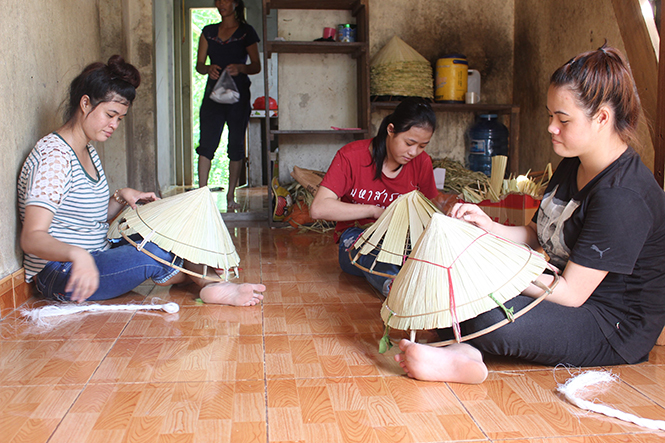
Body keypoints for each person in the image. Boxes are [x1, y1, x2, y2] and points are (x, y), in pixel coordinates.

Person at [394, 45, 665, 384]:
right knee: (454, 289)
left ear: (602, 119)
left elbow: (571, 293)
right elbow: (538, 233)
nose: (552, 127)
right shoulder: (573, 163)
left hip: (609, 324)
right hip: (565, 295)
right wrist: (486, 226)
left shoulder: (623, 196)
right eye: (551, 116)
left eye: (563, 119)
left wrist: (491, 268)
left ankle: (466, 351)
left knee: (483, 314)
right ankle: (465, 353)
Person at [18, 55, 265, 306]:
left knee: (168, 231)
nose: (114, 124)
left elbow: (89, 219)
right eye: (110, 114)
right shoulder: (54, 158)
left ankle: (211, 284)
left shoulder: (87, 150)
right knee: (154, 253)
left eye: (120, 119)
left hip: (96, 255)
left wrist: (121, 196)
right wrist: (77, 255)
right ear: (85, 103)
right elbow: (31, 237)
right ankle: (203, 278)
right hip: (61, 274)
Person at [310, 97, 438, 296]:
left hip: (403, 237)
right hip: (357, 235)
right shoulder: (352, 156)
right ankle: (395, 288)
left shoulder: (422, 162)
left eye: (422, 146)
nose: (414, 152)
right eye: (409, 143)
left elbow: (431, 208)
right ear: (391, 129)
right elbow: (319, 208)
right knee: (373, 254)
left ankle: (425, 287)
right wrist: (374, 210)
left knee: (424, 256)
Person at [195, 0, 261, 209]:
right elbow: (199, 65)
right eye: (219, 0)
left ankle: (231, 196)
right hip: (213, 97)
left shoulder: (246, 32)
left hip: (238, 98)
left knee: (235, 145)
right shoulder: (208, 31)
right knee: (206, 144)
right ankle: (201, 194)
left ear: (236, 3)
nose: (221, 3)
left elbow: (256, 66)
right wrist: (208, 69)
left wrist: (240, 68)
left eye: (226, 0)